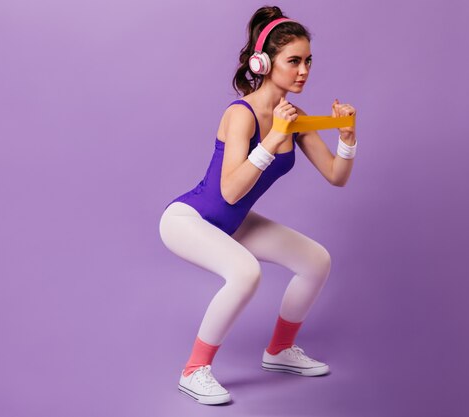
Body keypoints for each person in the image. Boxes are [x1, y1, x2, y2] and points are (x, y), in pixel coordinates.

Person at [159, 5, 357, 405]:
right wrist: (272, 139)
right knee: (245, 272)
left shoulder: (293, 118)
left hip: (232, 223)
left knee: (316, 260)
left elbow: (336, 176)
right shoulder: (241, 113)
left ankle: (280, 351)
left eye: (308, 61)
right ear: (263, 63)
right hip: (188, 219)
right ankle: (194, 370)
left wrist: (348, 137)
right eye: (294, 61)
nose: (303, 70)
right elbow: (230, 191)